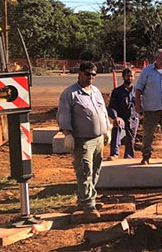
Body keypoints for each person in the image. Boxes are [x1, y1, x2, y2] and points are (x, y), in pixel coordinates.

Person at [56, 61, 110, 218]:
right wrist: (68, 134)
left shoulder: (96, 92)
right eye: (88, 74)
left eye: (94, 75)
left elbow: (102, 111)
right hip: (82, 140)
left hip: (98, 138)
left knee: (95, 170)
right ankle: (88, 205)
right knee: (84, 171)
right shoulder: (70, 94)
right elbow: (63, 115)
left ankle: (87, 198)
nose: (91, 77)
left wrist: (107, 129)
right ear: (79, 74)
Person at [107, 66, 139, 160]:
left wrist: (141, 115)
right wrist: (115, 117)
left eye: (131, 76)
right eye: (127, 76)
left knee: (131, 138)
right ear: (123, 76)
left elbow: (141, 103)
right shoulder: (117, 92)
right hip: (121, 117)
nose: (129, 78)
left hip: (133, 118)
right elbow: (112, 106)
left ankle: (129, 156)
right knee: (117, 129)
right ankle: (114, 154)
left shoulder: (137, 91)